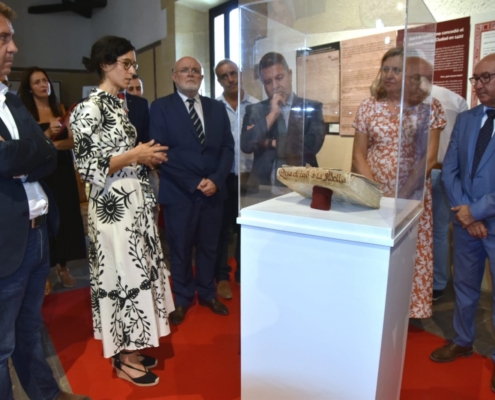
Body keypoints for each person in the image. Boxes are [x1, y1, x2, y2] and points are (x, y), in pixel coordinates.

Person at [70, 35, 174, 387]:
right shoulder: (89, 108)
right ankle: (124, 360)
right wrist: (136, 155)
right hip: (114, 210)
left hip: (134, 207)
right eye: (126, 64)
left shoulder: (118, 104)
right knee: (123, 278)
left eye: (134, 65)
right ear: (105, 64)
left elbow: (121, 155)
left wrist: (145, 156)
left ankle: (130, 346)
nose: (132, 71)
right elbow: (87, 166)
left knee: (137, 274)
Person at [0, 3, 91, 400]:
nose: (14, 48)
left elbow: (47, 155)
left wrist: (19, 156)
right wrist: (22, 155)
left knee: (29, 329)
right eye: (3, 38)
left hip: (37, 237)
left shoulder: (10, 99)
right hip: (6, 242)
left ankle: (48, 396)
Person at [352, 47, 446, 319]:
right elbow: (359, 154)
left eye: (397, 69)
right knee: (377, 249)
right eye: (386, 69)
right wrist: (375, 193)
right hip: (374, 193)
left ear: (412, 76)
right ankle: (373, 304)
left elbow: (429, 159)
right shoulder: (369, 106)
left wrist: (402, 196)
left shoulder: (429, 108)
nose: (390, 75)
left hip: (412, 195)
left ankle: (406, 311)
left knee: (410, 250)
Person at [150, 56, 234, 325]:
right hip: (180, 193)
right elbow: (161, 151)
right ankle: (183, 298)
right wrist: (194, 181)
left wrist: (216, 180)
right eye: (184, 70)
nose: (190, 74)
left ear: (201, 78)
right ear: (174, 76)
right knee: (181, 247)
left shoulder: (215, 108)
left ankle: (207, 293)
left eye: (196, 71)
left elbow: (227, 149)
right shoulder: (161, 107)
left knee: (210, 246)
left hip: (213, 192)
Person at [430, 53, 495, 392]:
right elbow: (448, 169)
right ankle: (462, 339)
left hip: (487, 220)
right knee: (465, 287)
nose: (479, 85)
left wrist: (477, 212)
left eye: (487, 77)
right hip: (465, 221)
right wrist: (463, 210)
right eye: (476, 79)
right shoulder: (468, 119)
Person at [18, 66, 86, 294]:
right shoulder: (25, 115)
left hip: (63, 170)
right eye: (37, 82)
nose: (43, 85)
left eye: (45, 80)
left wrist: (50, 145)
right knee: (46, 222)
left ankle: (63, 267)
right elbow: (27, 147)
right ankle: (45, 270)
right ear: (29, 88)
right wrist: (47, 138)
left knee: (66, 218)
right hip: (42, 174)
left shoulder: (61, 110)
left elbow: (73, 142)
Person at [240, 52, 325, 193]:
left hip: (301, 189)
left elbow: (310, 147)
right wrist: (272, 114)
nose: (275, 86)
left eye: (279, 78)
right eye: (268, 82)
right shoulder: (255, 110)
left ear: (290, 75)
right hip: (263, 189)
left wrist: (269, 142)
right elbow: (246, 144)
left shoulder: (312, 107)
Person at [214, 59, 259, 298]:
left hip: (249, 177)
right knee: (222, 230)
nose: (230, 79)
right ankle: (222, 277)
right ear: (218, 81)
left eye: (233, 73)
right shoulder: (214, 107)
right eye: (224, 76)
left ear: (240, 74)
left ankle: (244, 273)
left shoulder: (256, 105)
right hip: (223, 178)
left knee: (247, 229)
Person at [428, 85, 468, 300]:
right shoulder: (456, 99)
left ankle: (419, 281)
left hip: (421, 173)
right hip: (447, 172)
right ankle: (437, 284)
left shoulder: (413, 96)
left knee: (415, 231)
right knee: (440, 231)